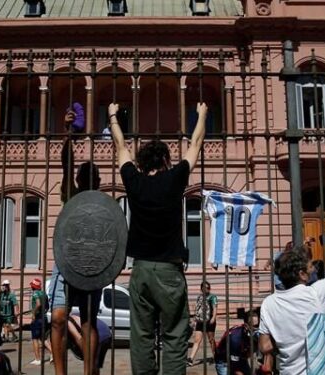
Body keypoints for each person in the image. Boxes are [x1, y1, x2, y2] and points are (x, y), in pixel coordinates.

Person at [109, 101, 208, 374]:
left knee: (141, 335)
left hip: (140, 269)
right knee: (175, 334)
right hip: (169, 270)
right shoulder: (175, 178)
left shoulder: (134, 180)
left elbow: (120, 148)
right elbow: (196, 143)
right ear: (166, 160)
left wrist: (112, 116)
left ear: (141, 163)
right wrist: (201, 115)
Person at [48, 106, 105, 375]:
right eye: (85, 176)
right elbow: (66, 163)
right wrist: (68, 133)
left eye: (93, 176)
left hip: (92, 265)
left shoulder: (103, 205)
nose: (88, 179)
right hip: (65, 262)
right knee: (58, 318)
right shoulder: (72, 194)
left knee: (88, 321)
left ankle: (88, 372)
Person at [257, 230, 325, 374]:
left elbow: (265, 346)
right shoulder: (315, 294)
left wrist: (286, 334)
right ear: (302, 274)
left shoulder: (268, 304)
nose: (314, 269)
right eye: (310, 266)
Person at [214, 310, 259, 375]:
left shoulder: (254, 334)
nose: (257, 328)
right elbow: (235, 368)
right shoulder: (235, 338)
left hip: (240, 357)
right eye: (254, 326)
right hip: (224, 361)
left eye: (258, 325)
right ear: (246, 326)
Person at [187, 281, 218, 366]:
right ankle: (190, 359)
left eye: (208, 288)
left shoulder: (213, 297)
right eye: (204, 288)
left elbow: (215, 308)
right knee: (197, 340)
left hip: (209, 321)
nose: (206, 289)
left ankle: (216, 357)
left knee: (211, 340)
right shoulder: (199, 297)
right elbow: (197, 309)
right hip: (200, 321)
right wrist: (194, 319)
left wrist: (213, 318)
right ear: (201, 288)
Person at [28, 278, 49, 365]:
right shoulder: (44, 293)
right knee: (43, 338)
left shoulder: (35, 293)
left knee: (35, 339)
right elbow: (47, 306)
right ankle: (53, 355)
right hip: (44, 318)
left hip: (37, 318)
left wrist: (33, 313)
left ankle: (37, 359)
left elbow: (38, 304)